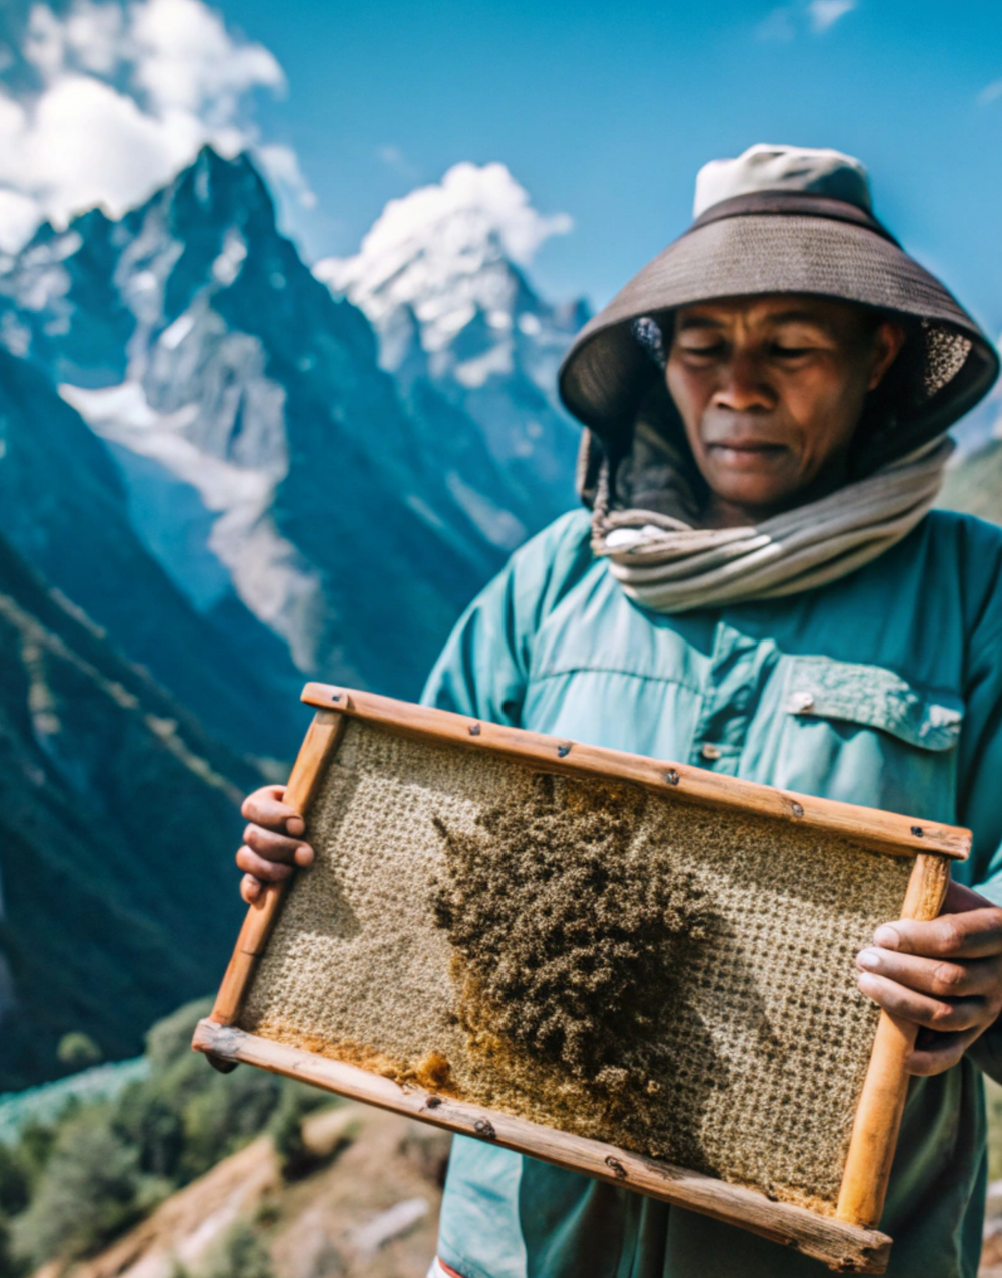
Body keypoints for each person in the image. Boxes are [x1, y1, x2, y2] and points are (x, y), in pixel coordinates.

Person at [234, 145, 1002, 1278]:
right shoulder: (554, 578)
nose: (739, 386)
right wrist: (306, 847)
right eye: (703, 347)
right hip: (513, 1247)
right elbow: (405, 812)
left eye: (790, 346)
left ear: (878, 353)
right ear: (664, 362)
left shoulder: (976, 593)